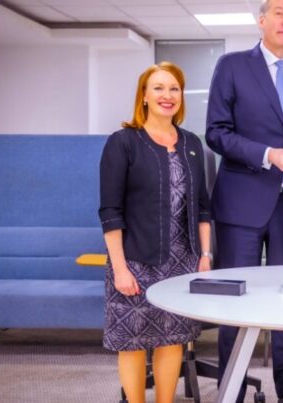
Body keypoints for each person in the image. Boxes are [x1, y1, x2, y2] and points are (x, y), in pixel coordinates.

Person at [205, 0, 283, 401]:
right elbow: (216, 132)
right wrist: (266, 154)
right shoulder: (232, 66)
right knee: (235, 302)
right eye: (280, 13)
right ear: (261, 20)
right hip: (241, 203)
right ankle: (233, 390)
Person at [99, 62, 212, 403]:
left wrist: (205, 256)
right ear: (144, 96)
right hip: (136, 259)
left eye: (174, 88)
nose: (168, 95)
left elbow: (203, 207)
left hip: (183, 261)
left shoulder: (191, 143)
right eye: (159, 88)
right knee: (132, 342)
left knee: (172, 339)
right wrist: (120, 269)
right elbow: (110, 212)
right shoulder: (123, 142)